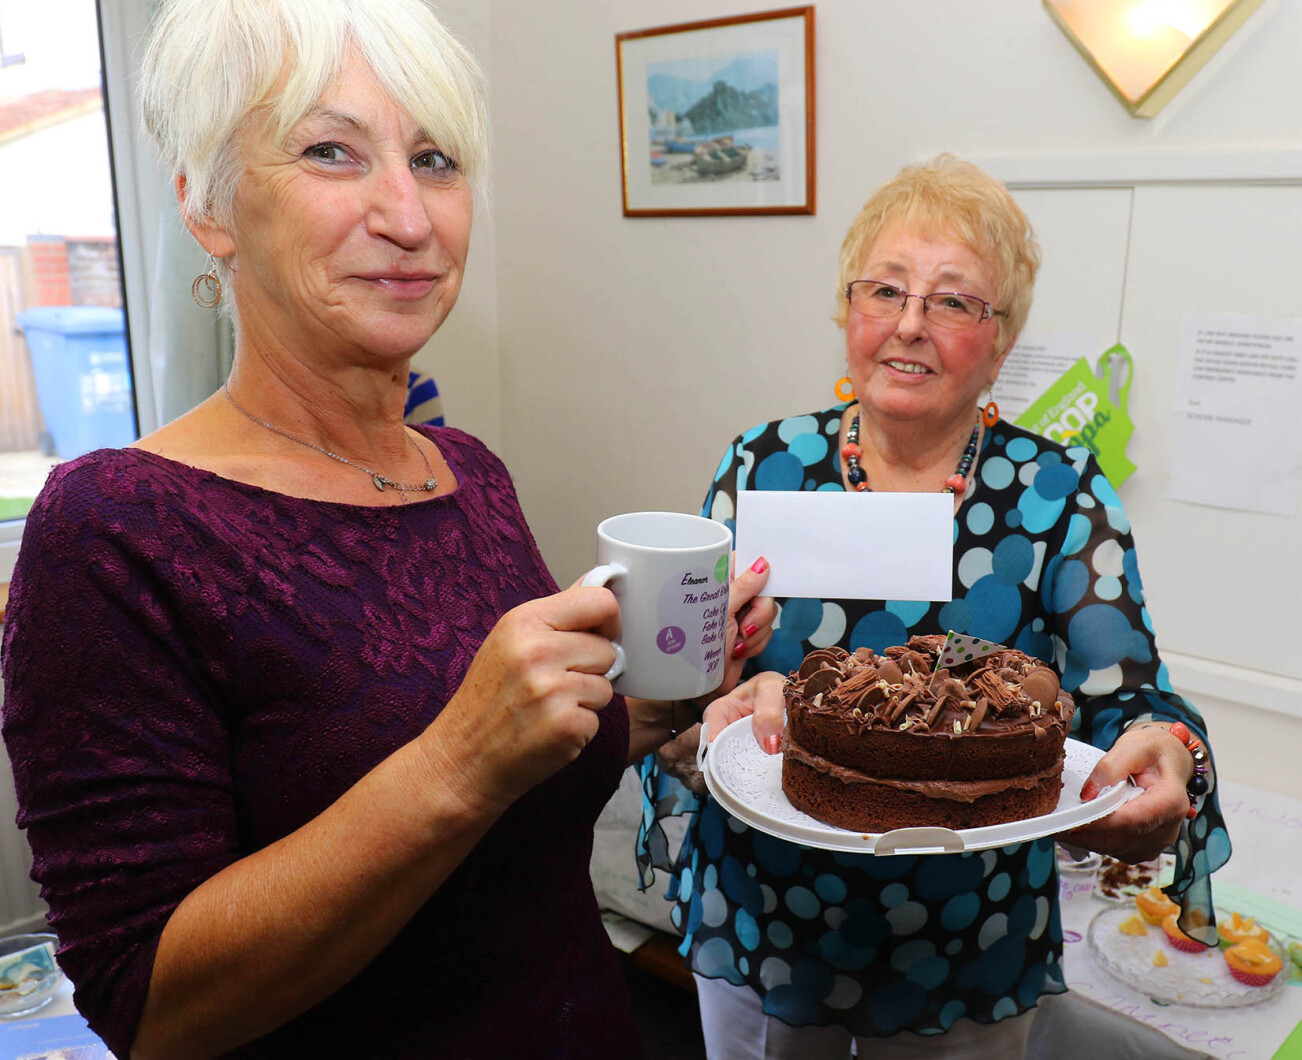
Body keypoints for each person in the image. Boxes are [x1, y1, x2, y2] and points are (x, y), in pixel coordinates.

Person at [0, 1, 777, 1056]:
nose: (409, 217)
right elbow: (153, 1006)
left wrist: (650, 703)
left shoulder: (468, 474)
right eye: (332, 151)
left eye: (435, 159)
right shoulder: (114, 528)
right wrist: (457, 761)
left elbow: (528, 772)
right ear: (206, 204)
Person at [638, 155, 1231, 1058]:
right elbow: (681, 694)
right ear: (848, 309)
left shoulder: (1056, 493)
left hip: (969, 943)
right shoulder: (760, 466)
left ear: (1000, 341)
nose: (909, 324)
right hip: (765, 916)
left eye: (954, 301)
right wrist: (701, 689)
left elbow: (1130, 698)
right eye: (885, 289)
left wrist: (1166, 750)